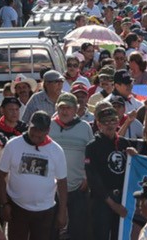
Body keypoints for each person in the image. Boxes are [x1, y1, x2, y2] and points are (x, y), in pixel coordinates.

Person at [0, 111, 68, 240]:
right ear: (29, 125)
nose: (35, 133)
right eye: (33, 128)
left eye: (40, 130)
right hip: (17, 208)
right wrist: (4, 204)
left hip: (45, 211)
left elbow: (62, 182)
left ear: (48, 130)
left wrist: (62, 212)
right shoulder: (13, 145)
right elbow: (1, 175)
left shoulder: (56, 150)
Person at [48, 93, 94, 240]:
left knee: (79, 230)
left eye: (68, 108)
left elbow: (90, 155)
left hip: (78, 186)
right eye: (61, 107)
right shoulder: (49, 126)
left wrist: (86, 177)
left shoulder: (85, 127)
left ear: (76, 110)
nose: (64, 111)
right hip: (52, 188)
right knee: (52, 230)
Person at [85, 107, 132, 240]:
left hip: (122, 198)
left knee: (120, 236)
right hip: (102, 201)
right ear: (98, 124)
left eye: (113, 121)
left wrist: (134, 155)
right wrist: (112, 204)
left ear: (118, 122)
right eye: (105, 122)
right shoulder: (92, 146)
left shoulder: (124, 143)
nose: (110, 125)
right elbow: (93, 178)